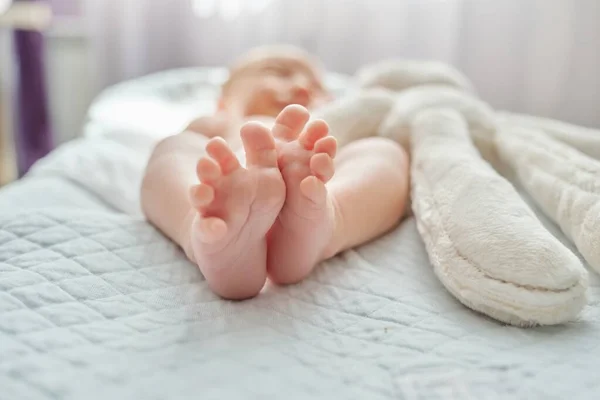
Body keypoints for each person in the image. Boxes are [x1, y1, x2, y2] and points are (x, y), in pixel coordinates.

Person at [141, 46, 409, 300]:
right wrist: (182, 158)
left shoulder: (325, 134)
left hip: (318, 186)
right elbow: (181, 158)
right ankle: (207, 226)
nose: (303, 87)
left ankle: (325, 221)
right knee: (171, 149)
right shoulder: (221, 123)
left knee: (385, 152)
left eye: (318, 88)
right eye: (279, 73)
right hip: (234, 180)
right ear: (224, 103)